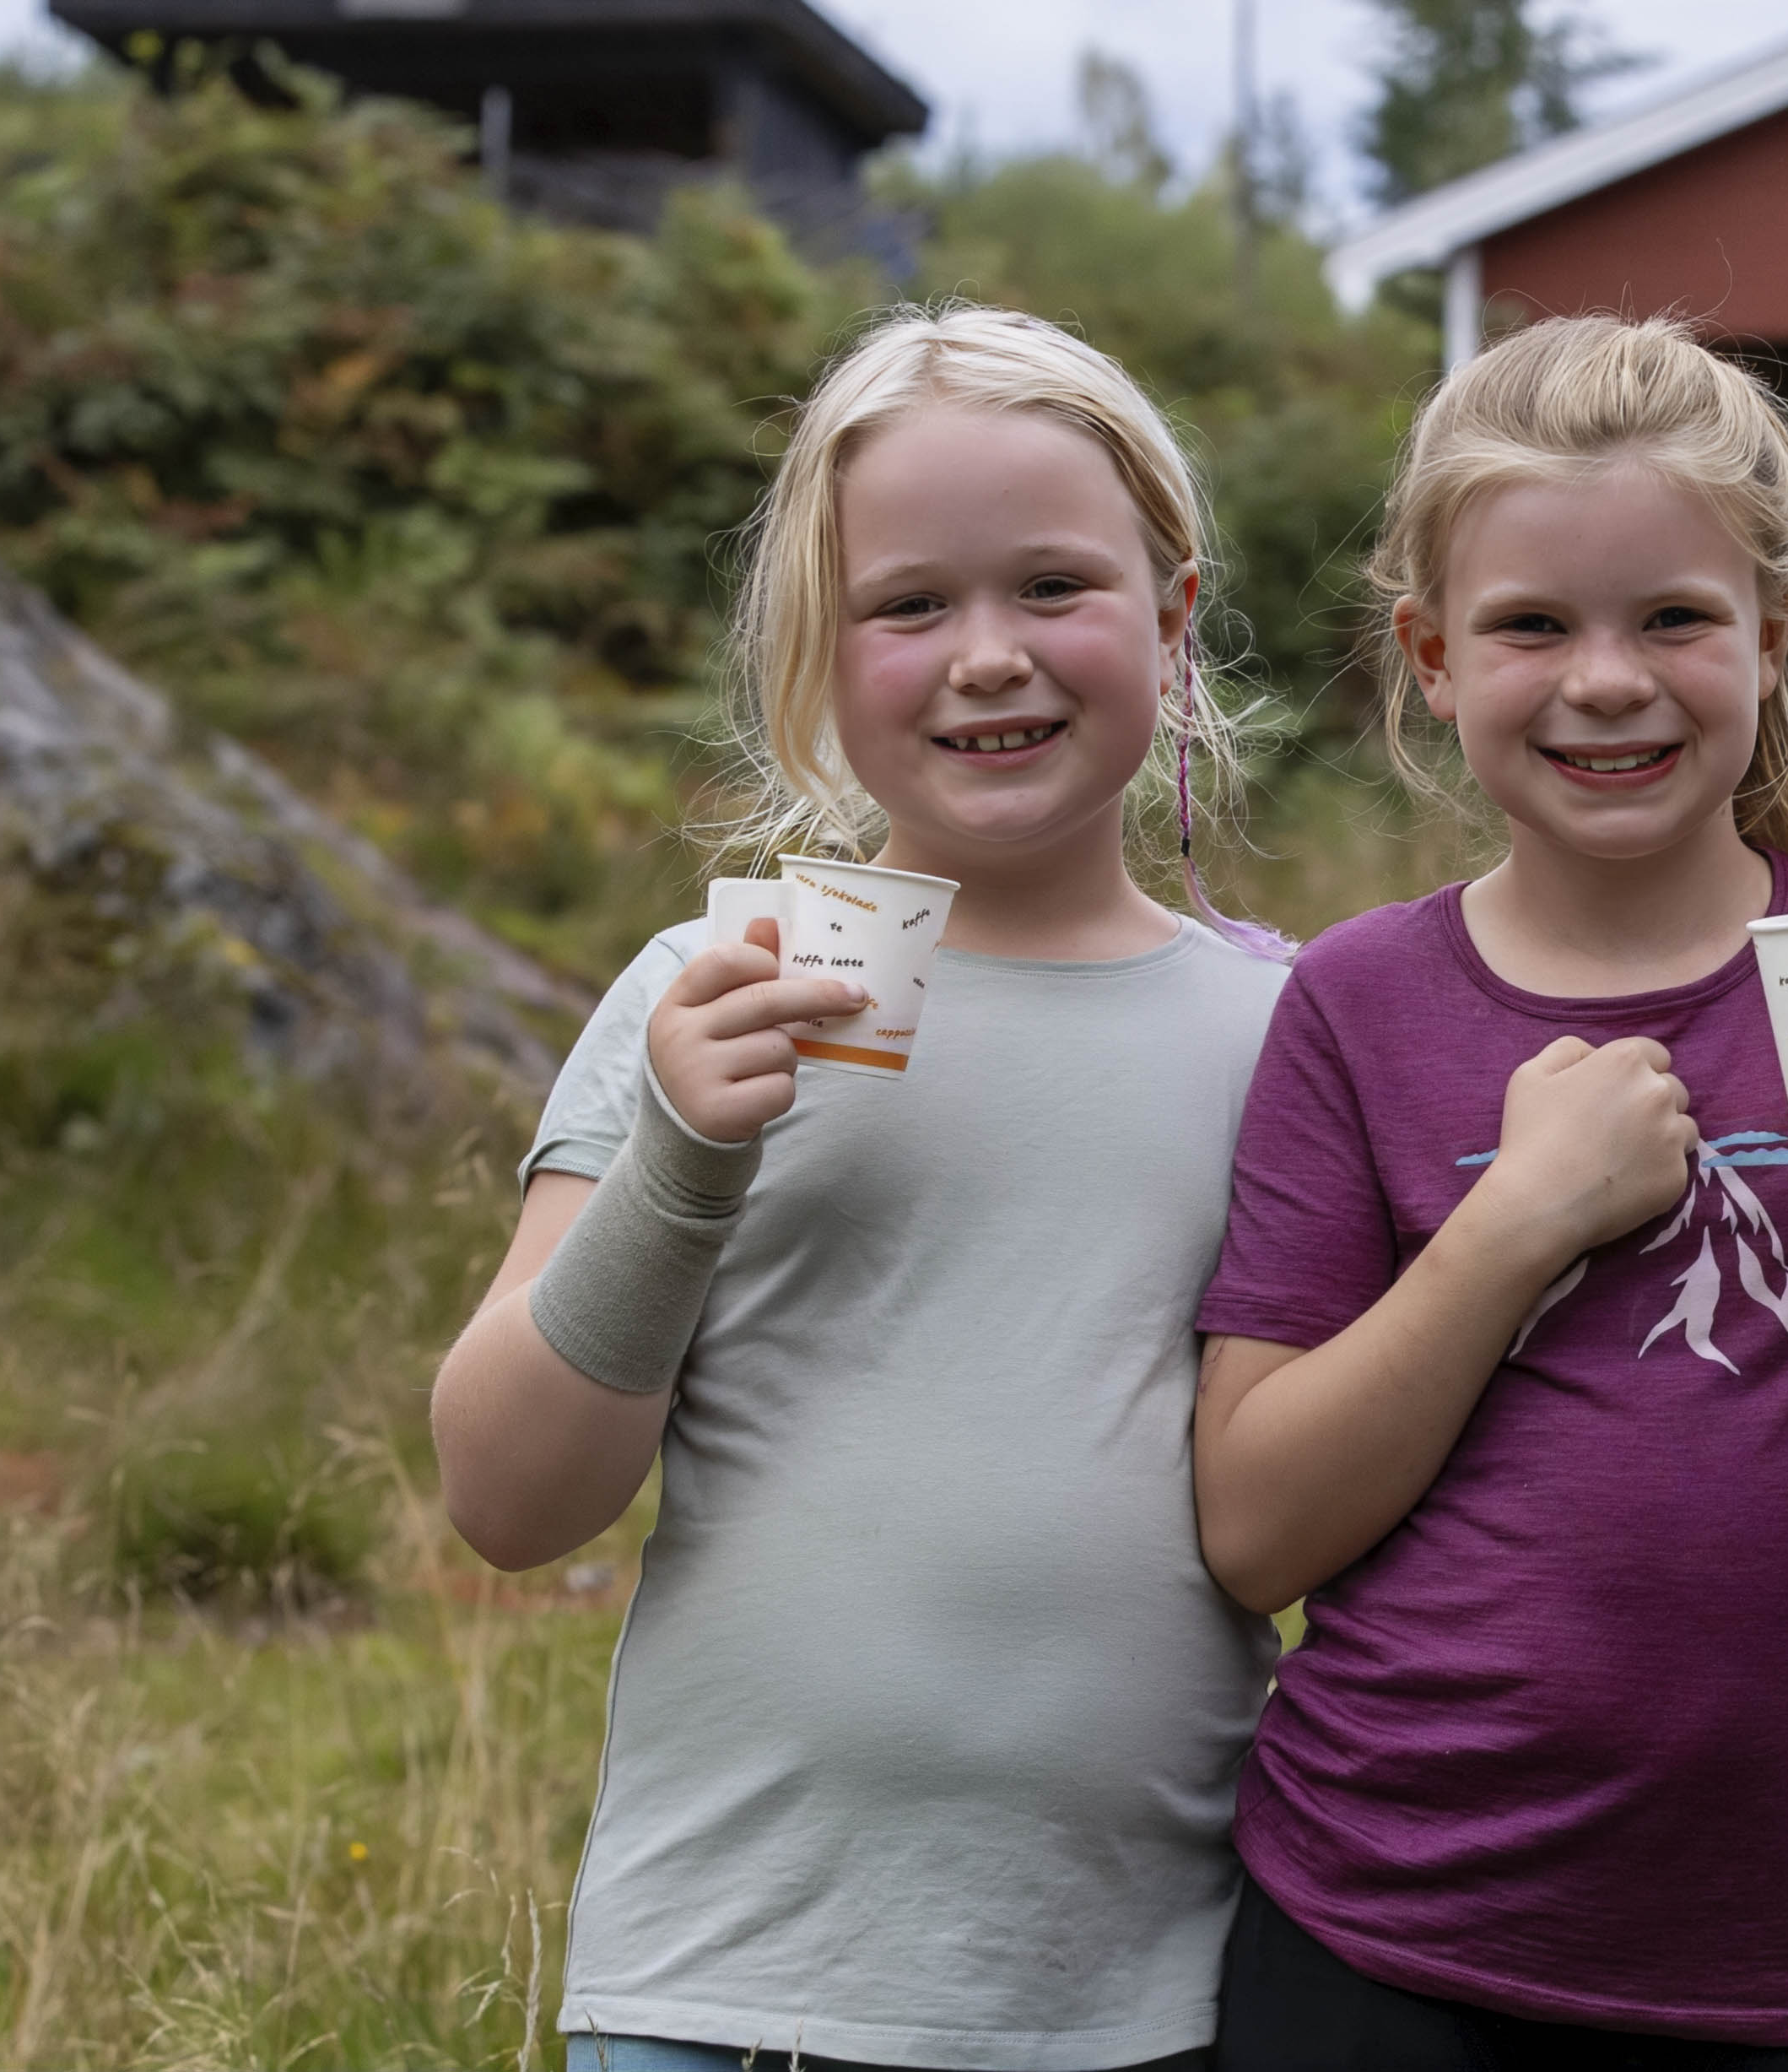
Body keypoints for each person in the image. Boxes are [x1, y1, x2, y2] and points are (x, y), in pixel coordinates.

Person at [1192, 315, 1788, 2069]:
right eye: (1529, 626)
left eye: (1673, 619)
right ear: (1427, 656)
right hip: (1372, 1928)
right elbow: (1255, 1526)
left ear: (1771, 638)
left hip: (1758, 1955)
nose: (1607, 680)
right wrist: (1515, 1224)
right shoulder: (1358, 1005)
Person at [430, 304, 1290, 2072]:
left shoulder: (1282, 1036)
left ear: (1174, 614)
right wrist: (683, 1157)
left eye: (1054, 586)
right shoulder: (711, 984)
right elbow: (507, 1494)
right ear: (822, 661)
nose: (988, 656)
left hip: (1142, 2003)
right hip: (728, 1992)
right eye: (909, 606)